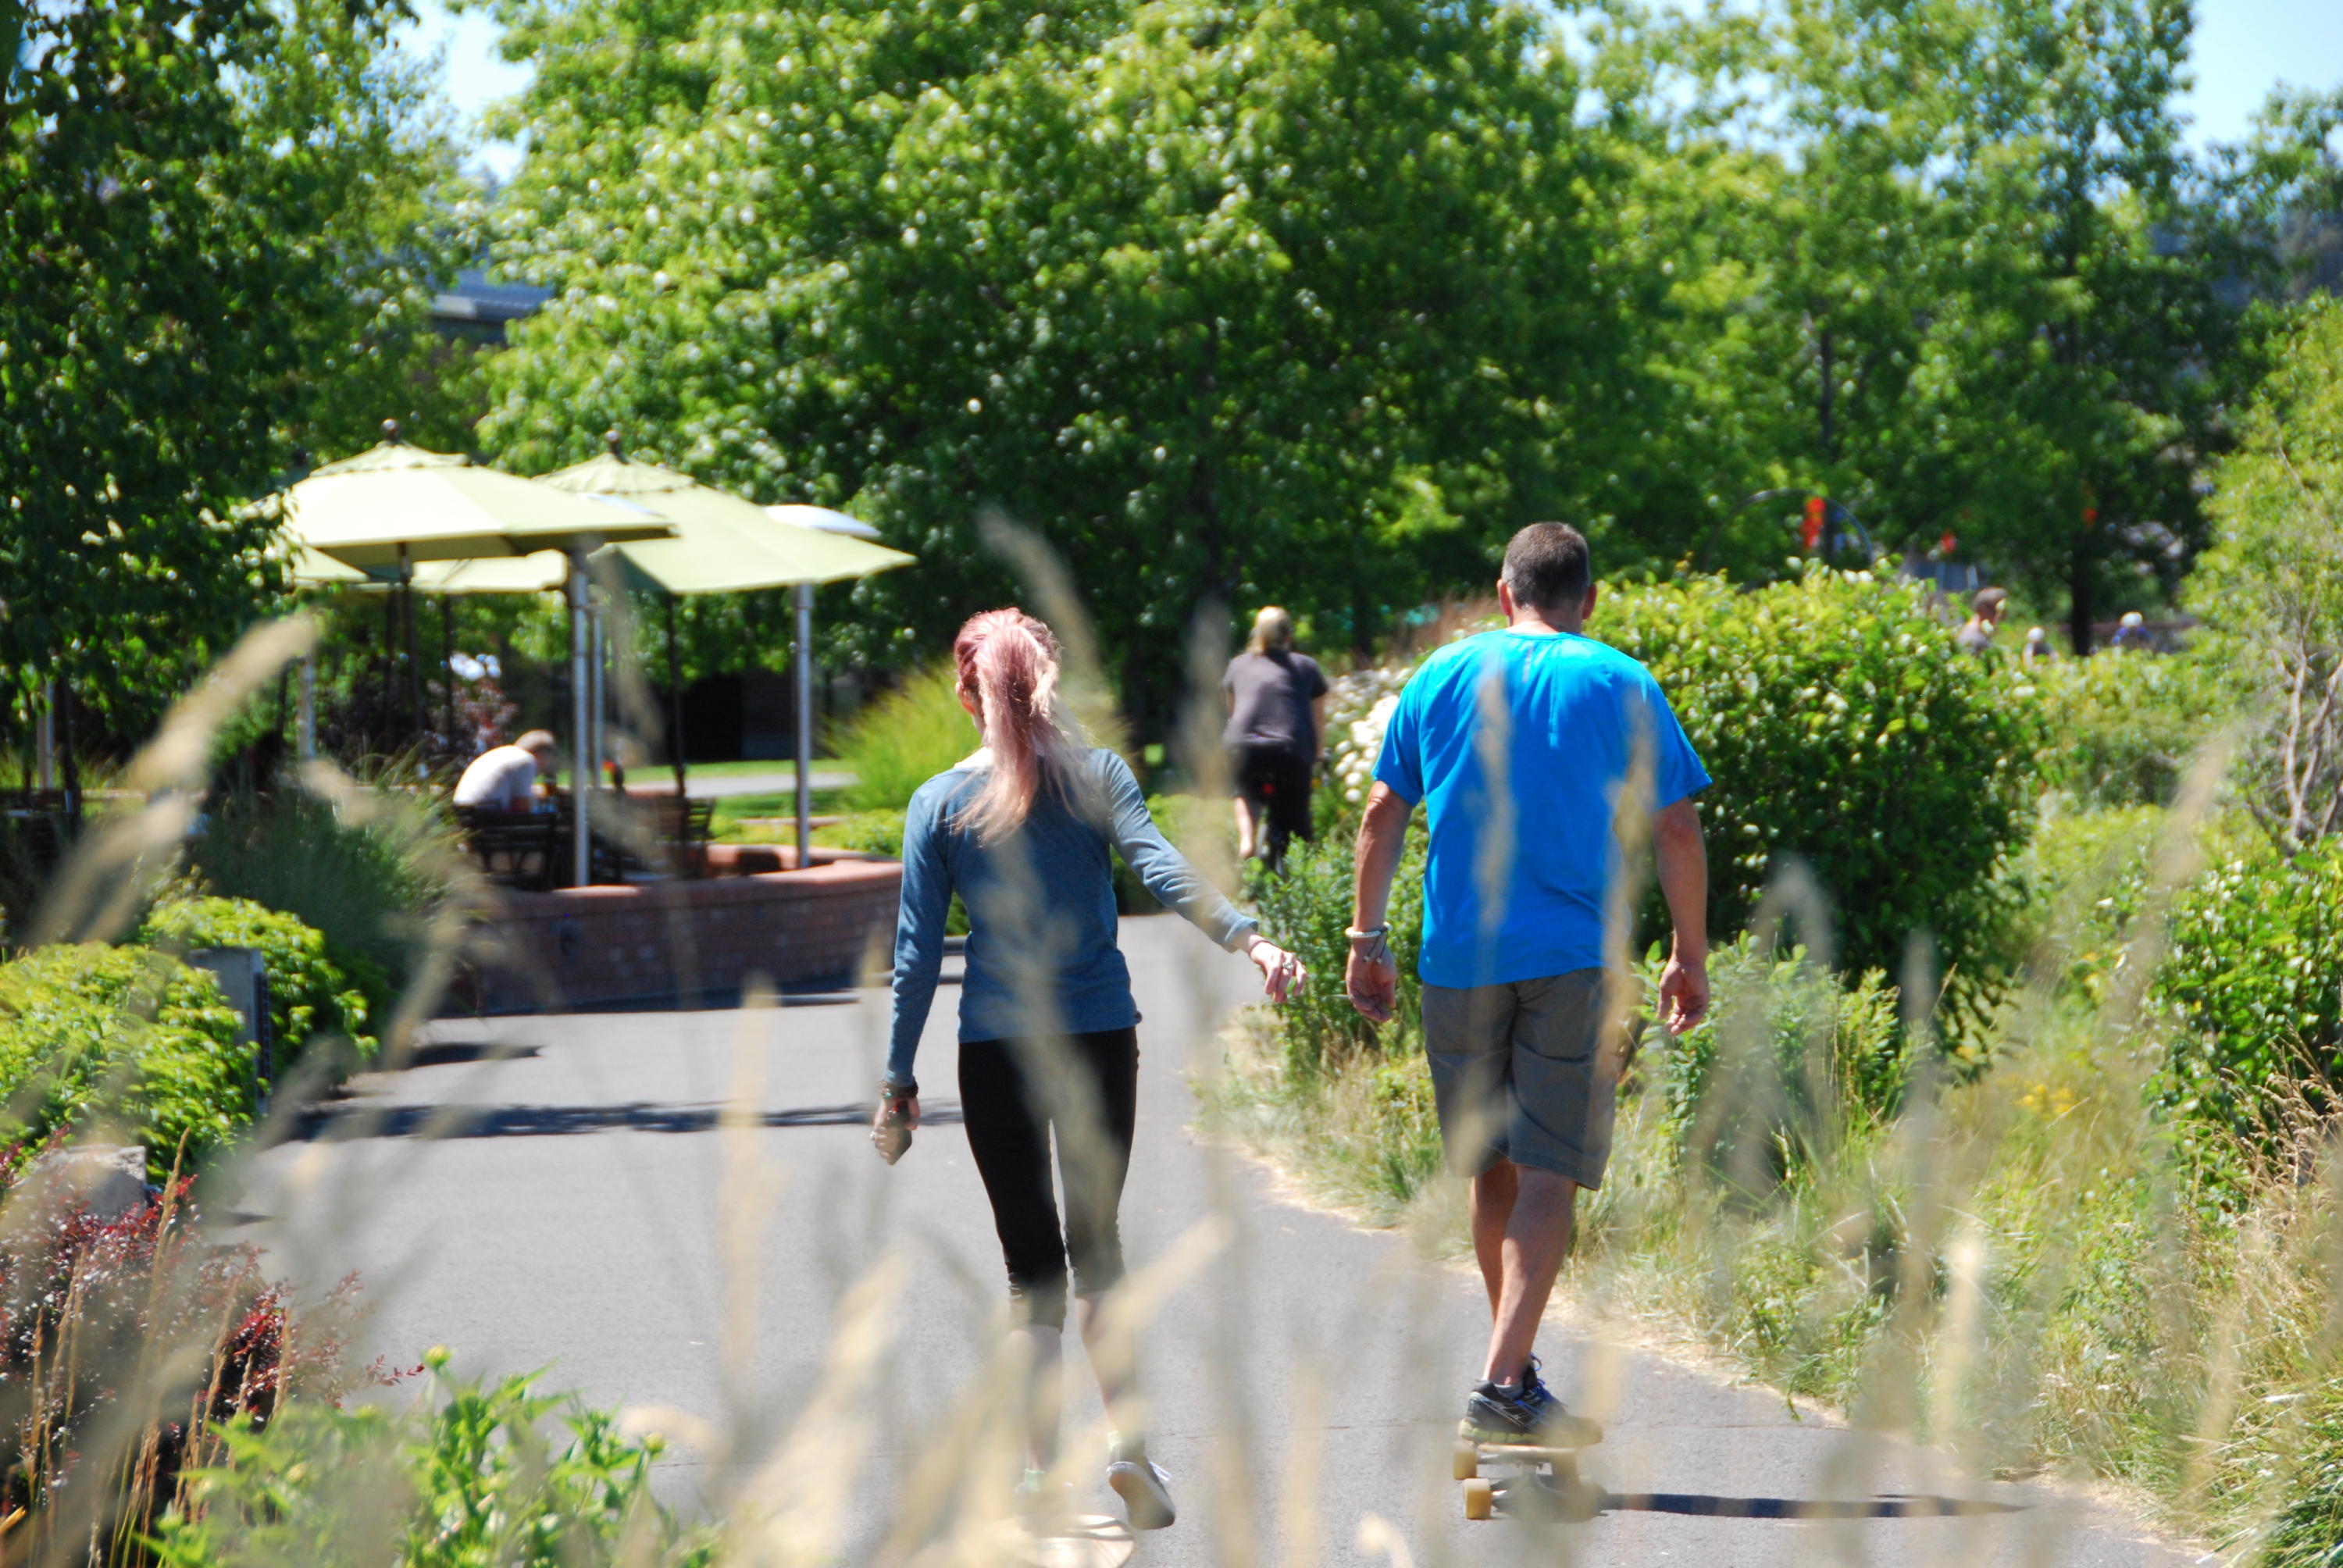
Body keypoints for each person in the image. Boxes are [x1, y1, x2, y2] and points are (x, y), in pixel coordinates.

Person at [875, 608, 1306, 1530]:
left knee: (1030, 1273)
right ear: (1050, 680)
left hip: (995, 1049)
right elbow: (1157, 864)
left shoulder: (935, 804)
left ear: (966, 692)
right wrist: (1250, 937)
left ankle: (1037, 1479)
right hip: (1100, 1036)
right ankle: (1130, 1450)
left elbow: (915, 957)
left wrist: (897, 1081)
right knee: (1098, 1252)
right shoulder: (1099, 776)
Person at [1344, 523, 1710, 1447]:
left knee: (1491, 1166)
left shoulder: (1439, 675)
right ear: (1586, 598)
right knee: (1551, 1170)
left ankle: (1514, 1375)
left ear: (1503, 594)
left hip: (1457, 956)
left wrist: (1366, 938)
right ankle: (1502, 1383)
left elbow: (1384, 811)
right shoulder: (1620, 679)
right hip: (1572, 957)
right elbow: (1676, 829)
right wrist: (1689, 952)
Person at [1221, 606, 1328, 868]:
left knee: (1244, 791)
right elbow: (1318, 721)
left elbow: (1233, 715)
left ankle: (1247, 842)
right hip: (1289, 749)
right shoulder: (1307, 667)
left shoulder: (1238, 665)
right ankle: (1292, 876)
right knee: (1296, 825)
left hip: (1244, 747)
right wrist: (1318, 757)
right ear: (1289, 635)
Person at [451, 730, 558, 811]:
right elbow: (522, 807)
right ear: (541, 755)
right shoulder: (527, 760)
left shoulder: (505, 753)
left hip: (467, 815)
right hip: (487, 819)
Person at [1956, 586, 2007, 654]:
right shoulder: (1975, 638)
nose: (1998, 617)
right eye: (1994, 610)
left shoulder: (1981, 633)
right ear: (1982, 610)